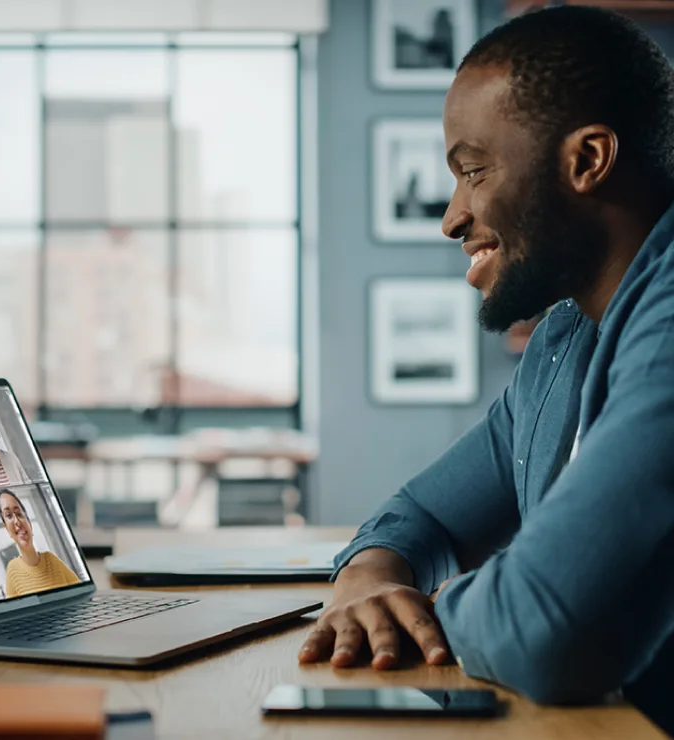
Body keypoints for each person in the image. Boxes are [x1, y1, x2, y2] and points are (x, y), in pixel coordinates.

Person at [298, 6, 674, 736]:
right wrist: (365, 582)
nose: (451, 217)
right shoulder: (567, 334)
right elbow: (425, 516)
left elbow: (545, 630)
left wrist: (430, 610)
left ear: (587, 161)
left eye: (472, 171)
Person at [0, 489, 79, 598]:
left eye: (19, 514)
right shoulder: (12, 570)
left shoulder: (51, 559)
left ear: (30, 523)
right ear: (7, 529)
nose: (17, 521)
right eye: (8, 516)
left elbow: (80, 592)